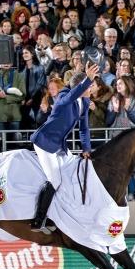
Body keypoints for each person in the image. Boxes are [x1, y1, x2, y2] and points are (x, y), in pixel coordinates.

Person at [29, 63, 100, 233]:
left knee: (69, 175)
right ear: (80, 86)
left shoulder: (85, 100)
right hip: (44, 142)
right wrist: (87, 80)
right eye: (90, 86)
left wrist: (86, 148)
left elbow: (84, 128)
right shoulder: (63, 96)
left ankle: (57, 215)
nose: (92, 89)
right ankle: (38, 220)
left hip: (60, 144)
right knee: (55, 180)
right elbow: (70, 98)